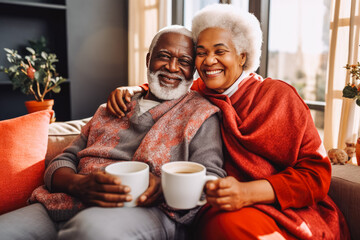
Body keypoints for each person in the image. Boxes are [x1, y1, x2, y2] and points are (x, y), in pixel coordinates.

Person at [106, 4, 350, 240]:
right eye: (201, 52)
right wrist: (134, 90)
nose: (209, 61)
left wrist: (247, 193)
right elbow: (167, 84)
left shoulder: (279, 96)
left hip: (285, 209)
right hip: (220, 206)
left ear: (242, 56)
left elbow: (317, 176)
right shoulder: (199, 93)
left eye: (220, 51)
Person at [0, 25, 226, 240]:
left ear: (193, 71)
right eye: (164, 56)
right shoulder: (112, 106)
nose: (172, 67)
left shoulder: (202, 115)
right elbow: (65, 158)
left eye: (184, 61)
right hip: (63, 202)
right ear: (149, 60)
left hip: (145, 211)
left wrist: (166, 187)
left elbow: (213, 176)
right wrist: (77, 184)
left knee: (89, 231)